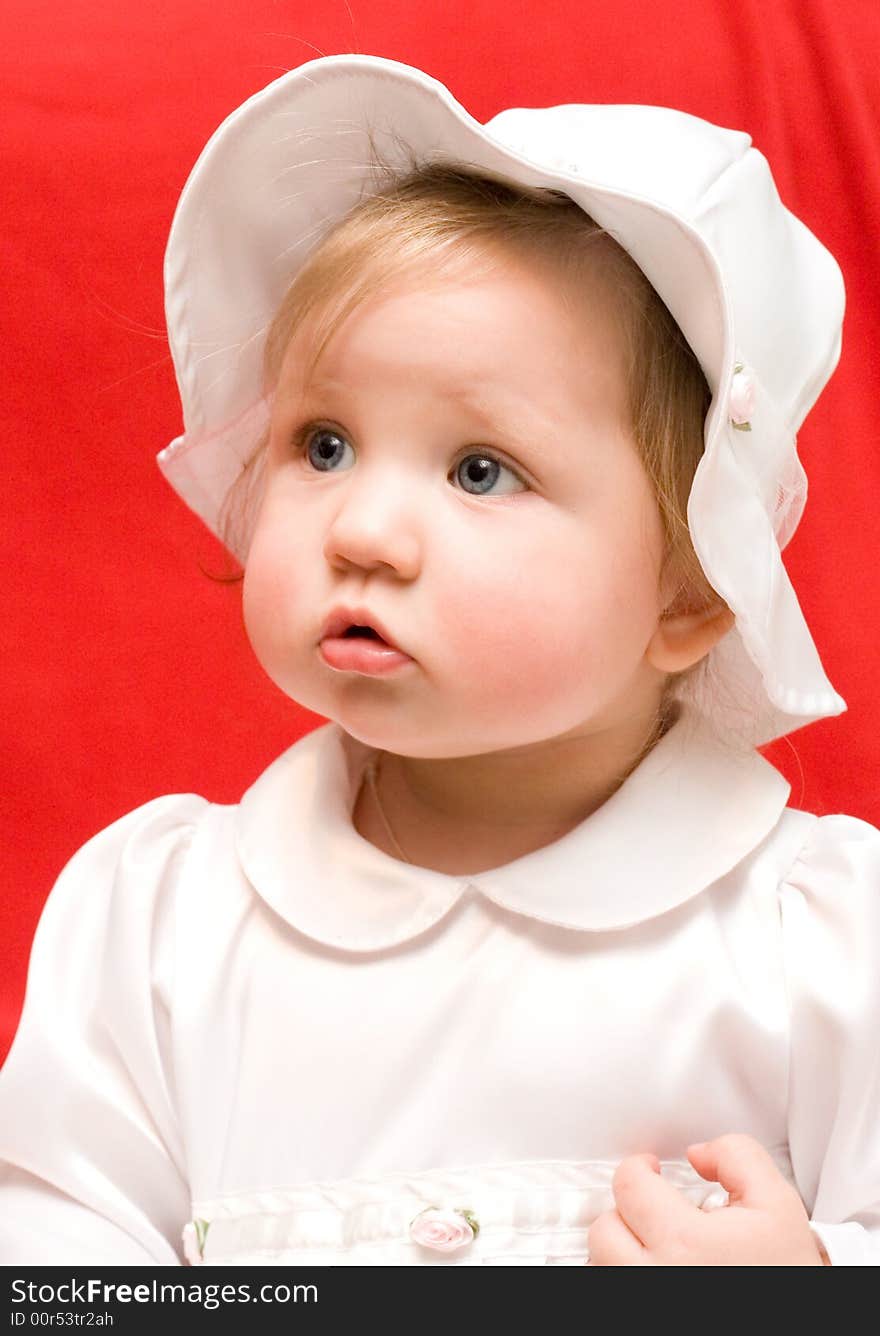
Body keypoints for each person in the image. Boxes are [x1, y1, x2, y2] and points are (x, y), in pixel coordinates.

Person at [1, 53, 877, 1267]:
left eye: (480, 469)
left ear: (689, 588)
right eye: (323, 443)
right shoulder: (162, 928)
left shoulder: (817, 939)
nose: (360, 530)